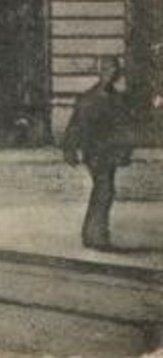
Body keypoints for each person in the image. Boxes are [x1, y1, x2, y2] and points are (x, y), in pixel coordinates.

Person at [62, 56, 133, 251]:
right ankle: (96, 235)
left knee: (104, 190)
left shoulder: (118, 98)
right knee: (104, 189)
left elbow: (125, 128)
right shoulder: (88, 98)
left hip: (109, 152)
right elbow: (74, 126)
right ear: (101, 72)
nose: (112, 75)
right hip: (94, 152)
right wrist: (70, 149)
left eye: (115, 71)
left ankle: (92, 233)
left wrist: (125, 151)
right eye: (108, 70)